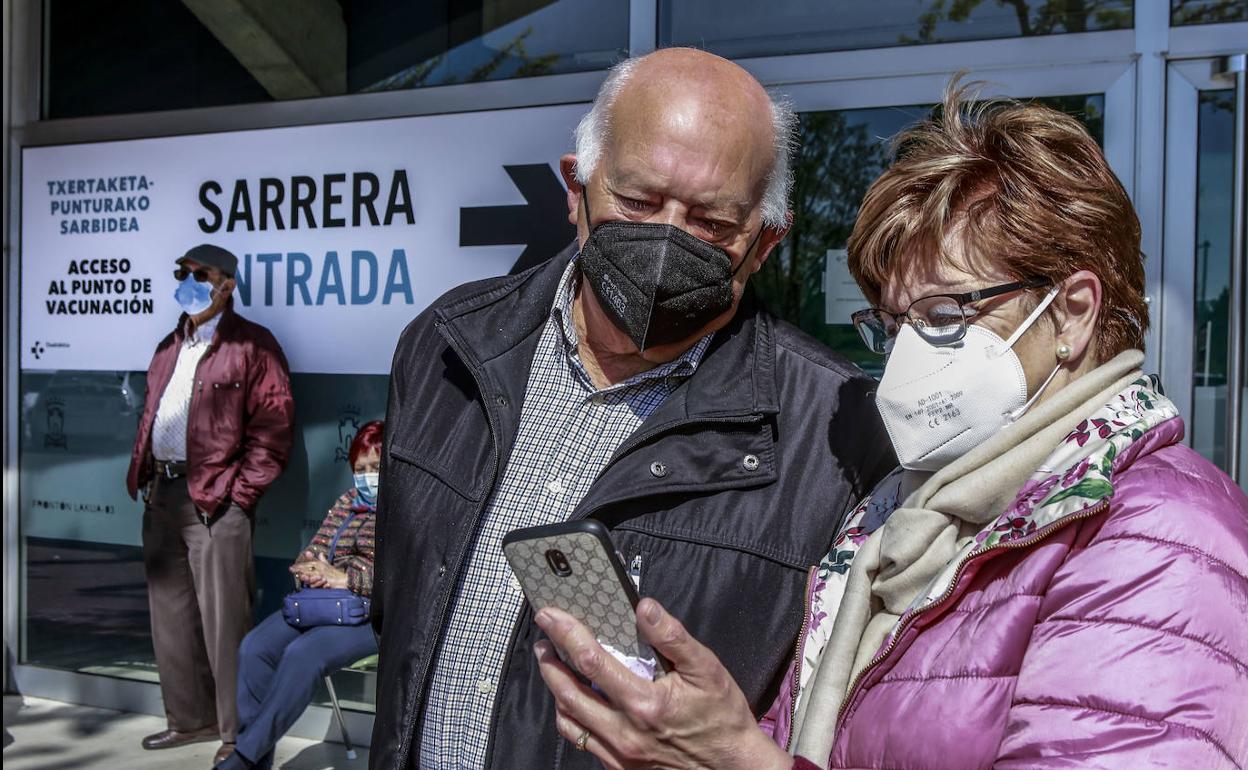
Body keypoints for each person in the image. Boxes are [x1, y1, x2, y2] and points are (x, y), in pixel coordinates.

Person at [532, 84, 1248, 769]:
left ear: (1072, 313)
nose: (906, 358)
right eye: (893, 325)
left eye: (943, 317)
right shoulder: (895, 521)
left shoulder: (1158, 535)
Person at [371, 48, 895, 769]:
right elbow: (401, 611)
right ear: (575, 188)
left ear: (767, 242)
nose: (666, 240)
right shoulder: (444, 346)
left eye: (712, 221)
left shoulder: (837, 433)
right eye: (639, 202)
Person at [126, 243, 295, 767]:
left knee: (226, 622)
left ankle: (235, 729)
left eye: (200, 273)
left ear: (227, 285)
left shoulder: (253, 346)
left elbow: (274, 428)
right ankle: (188, 719)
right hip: (164, 494)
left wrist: (238, 496)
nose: (188, 280)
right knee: (170, 618)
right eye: (182, 272)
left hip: (216, 501)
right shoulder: (167, 346)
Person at [216, 420, 383, 770]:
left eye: (376, 468)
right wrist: (312, 571)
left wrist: (345, 578)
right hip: (321, 605)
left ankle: (243, 757)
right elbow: (311, 553)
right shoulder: (347, 502)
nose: (367, 477)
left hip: (373, 613)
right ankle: (257, 761)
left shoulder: (408, 510)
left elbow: (404, 575)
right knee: (254, 649)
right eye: (360, 469)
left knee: (302, 654)